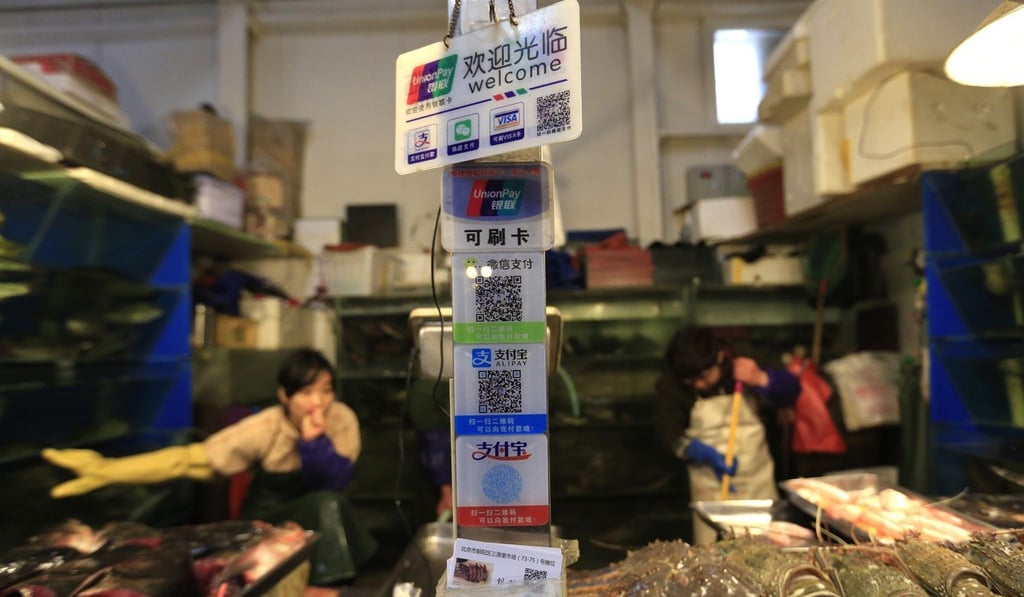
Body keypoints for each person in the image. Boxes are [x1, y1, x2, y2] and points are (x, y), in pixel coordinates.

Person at [41, 348, 377, 587]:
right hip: (271, 519)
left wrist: (313, 442)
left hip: (322, 517)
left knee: (329, 503)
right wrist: (107, 470)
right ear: (285, 396)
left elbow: (335, 481)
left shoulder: (342, 419)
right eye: (306, 392)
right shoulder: (264, 427)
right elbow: (189, 460)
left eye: (326, 390)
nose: (318, 402)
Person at [654, 327, 800, 545]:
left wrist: (761, 378)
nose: (698, 385)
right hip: (709, 486)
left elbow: (791, 392)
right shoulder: (671, 384)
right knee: (714, 553)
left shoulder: (742, 366)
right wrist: (695, 450)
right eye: (690, 381)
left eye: (703, 377)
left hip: (757, 480)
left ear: (720, 357)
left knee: (767, 548)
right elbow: (667, 434)